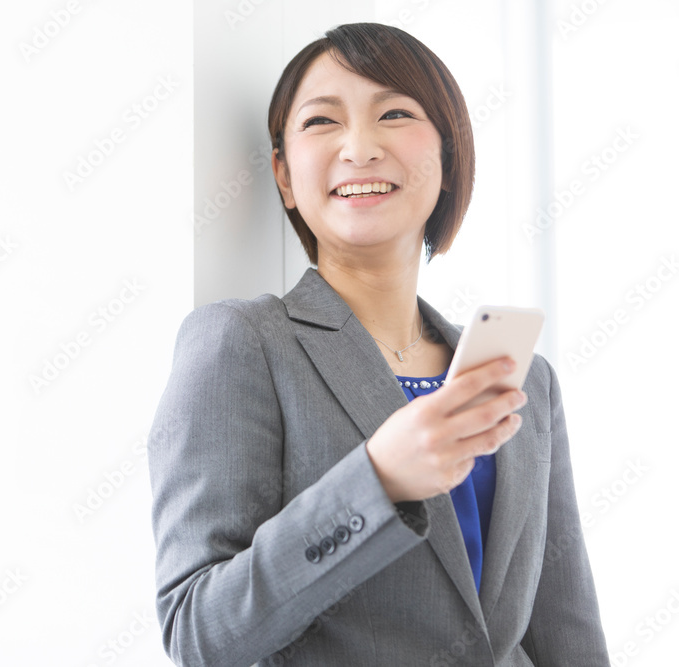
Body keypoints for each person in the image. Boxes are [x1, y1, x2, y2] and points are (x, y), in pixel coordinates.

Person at [147, 22, 609, 666]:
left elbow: (567, 630)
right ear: (283, 175)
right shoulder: (243, 344)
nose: (360, 148)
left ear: (447, 160)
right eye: (321, 121)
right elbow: (198, 631)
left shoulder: (525, 378)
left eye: (394, 113)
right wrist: (378, 480)